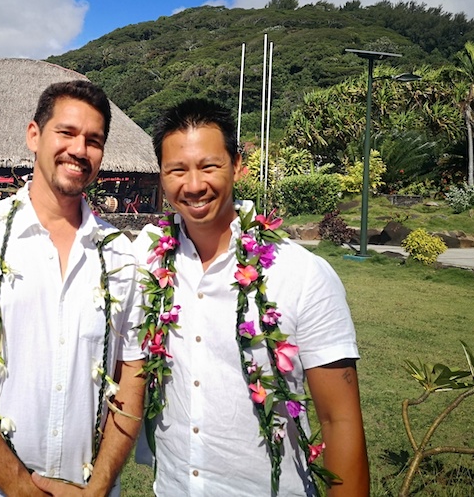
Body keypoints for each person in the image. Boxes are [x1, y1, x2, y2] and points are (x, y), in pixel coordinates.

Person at [0, 80, 145, 496]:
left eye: (93, 140)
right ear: (34, 135)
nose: (79, 149)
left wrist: (102, 483)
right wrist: (21, 488)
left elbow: (132, 377)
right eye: (66, 132)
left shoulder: (120, 254)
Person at [134, 98, 369, 496]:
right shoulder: (146, 258)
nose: (194, 185)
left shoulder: (302, 274)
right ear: (162, 176)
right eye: (177, 170)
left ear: (238, 165)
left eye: (209, 166)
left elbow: (339, 420)